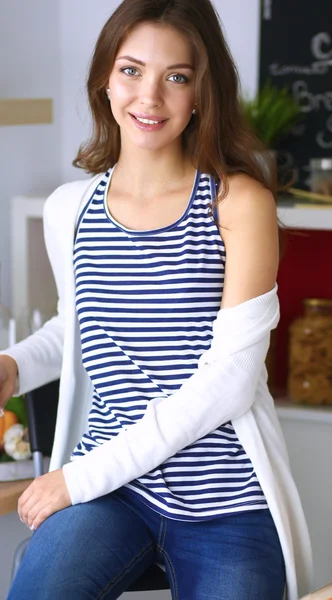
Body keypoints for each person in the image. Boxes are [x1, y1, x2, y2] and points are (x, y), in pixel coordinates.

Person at [1, 1, 313, 598]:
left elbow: (231, 382)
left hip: (225, 500)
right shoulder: (71, 209)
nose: (150, 96)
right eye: (131, 70)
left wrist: (77, 477)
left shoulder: (236, 204)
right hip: (113, 493)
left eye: (176, 77)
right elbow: (82, 324)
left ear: (202, 92)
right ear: (104, 79)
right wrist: (14, 364)